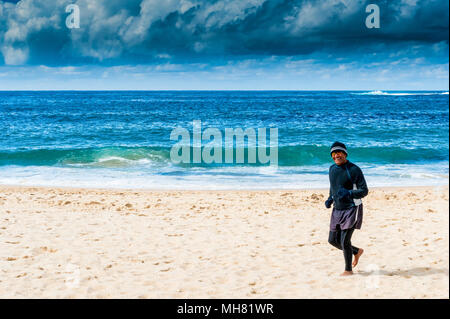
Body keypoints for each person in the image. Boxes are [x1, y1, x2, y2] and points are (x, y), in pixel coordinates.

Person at [325, 141, 368, 276]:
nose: (336, 155)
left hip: (352, 208)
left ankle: (348, 270)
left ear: (345, 154)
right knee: (332, 240)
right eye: (334, 153)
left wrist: (349, 193)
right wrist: (330, 198)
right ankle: (356, 251)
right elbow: (333, 186)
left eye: (339, 152)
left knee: (344, 240)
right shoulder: (332, 169)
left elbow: (364, 191)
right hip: (337, 209)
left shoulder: (354, 169)